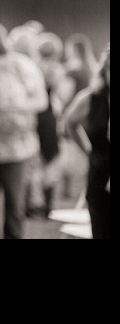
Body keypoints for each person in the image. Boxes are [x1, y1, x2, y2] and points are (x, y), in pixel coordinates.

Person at [0, 20, 48, 239]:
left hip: (18, 148)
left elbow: (41, 101)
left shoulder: (20, 65)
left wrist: (10, 107)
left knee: (15, 206)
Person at [63, 44, 110, 239]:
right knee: (101, 229)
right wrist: (88, 150)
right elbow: (69, 123)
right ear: (105, 70)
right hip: (100, 172)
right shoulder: (91, 99)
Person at [26, 31, 74, 218]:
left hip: (34, 115)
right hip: (49, 117)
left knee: (34, 159)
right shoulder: (56, 69)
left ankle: (31, 204)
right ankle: (47, 206)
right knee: (51, 157)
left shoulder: (32, 66)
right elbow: (62, 96)